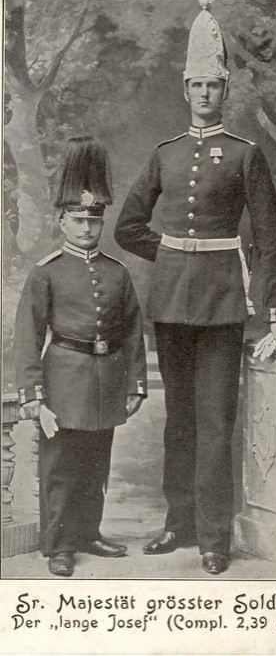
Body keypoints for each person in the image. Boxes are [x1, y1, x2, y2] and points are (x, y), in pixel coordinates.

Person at [114, 1, 276, 575]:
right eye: (196, 85)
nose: (204, 94)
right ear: (184, 88)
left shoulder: (245, 154)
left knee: (216, 424)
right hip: (171, 304)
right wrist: (168, 256)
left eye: (213, 85)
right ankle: (179, 523)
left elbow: (268, 235)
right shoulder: (165, 154)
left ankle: (215, 536)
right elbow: (128, 226)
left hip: (221, 306)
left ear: (225, 89)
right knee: (179, 421)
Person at [14, 136, 147, 577]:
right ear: (62, 221)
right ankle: (59, 544)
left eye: (94, 220)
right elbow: (28, 335)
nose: (88, 228)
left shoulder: (117, 272)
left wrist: (135, 384)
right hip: (63, 379)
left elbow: (132, 332)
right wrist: (32, 391)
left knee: (96, 461)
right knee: (61, 467)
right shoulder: (46, 272)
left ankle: (89, 532)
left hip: (106, 379)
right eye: (78, 220)